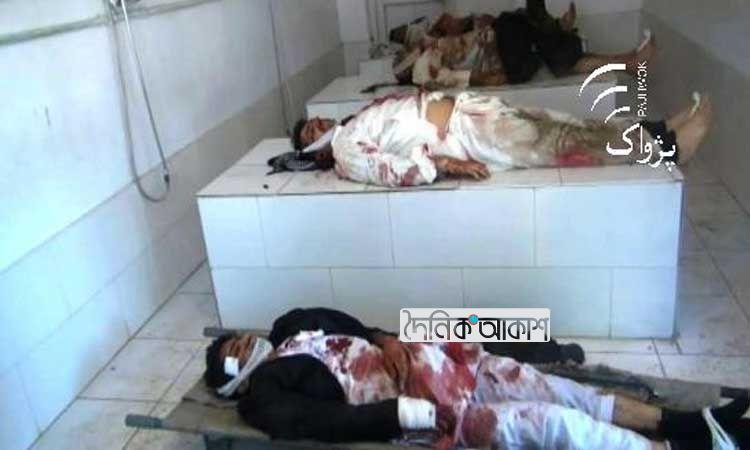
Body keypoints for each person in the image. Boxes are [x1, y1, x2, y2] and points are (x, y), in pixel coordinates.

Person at [204, 324, 750, 449]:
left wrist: (386, 338)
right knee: (551, 423)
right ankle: (679, 447)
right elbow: (324, 423)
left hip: (447, 362)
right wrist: (416, 415)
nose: (242, 341)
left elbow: (352, 323)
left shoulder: (292, 329)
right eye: (232, 351)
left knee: (555, 388)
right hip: (433, 407)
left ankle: (682, 421)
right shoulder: (263, 395)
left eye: (238, 338)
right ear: (232, 379)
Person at [290, 90, 712, 188]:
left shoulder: (354, 122)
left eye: (314, 121)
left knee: (567, 125)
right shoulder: (343, 148)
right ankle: (670, 149)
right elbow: (392, 170)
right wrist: (444, 164)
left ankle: (659, 130)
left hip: (470, 111)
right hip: (465, 133)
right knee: (562, 141)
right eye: (310, 131)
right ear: (314, 150)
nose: (318, 122)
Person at [386, 0, 657, 89]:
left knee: (550, 46)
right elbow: (487, 77)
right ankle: (629, 61)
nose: (427, 45)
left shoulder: (435, 49)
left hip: (503, 42)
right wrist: (490, 48)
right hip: (506, 59)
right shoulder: (434, 73)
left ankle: (629, 61)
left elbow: (458, 32)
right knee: (521, 27)